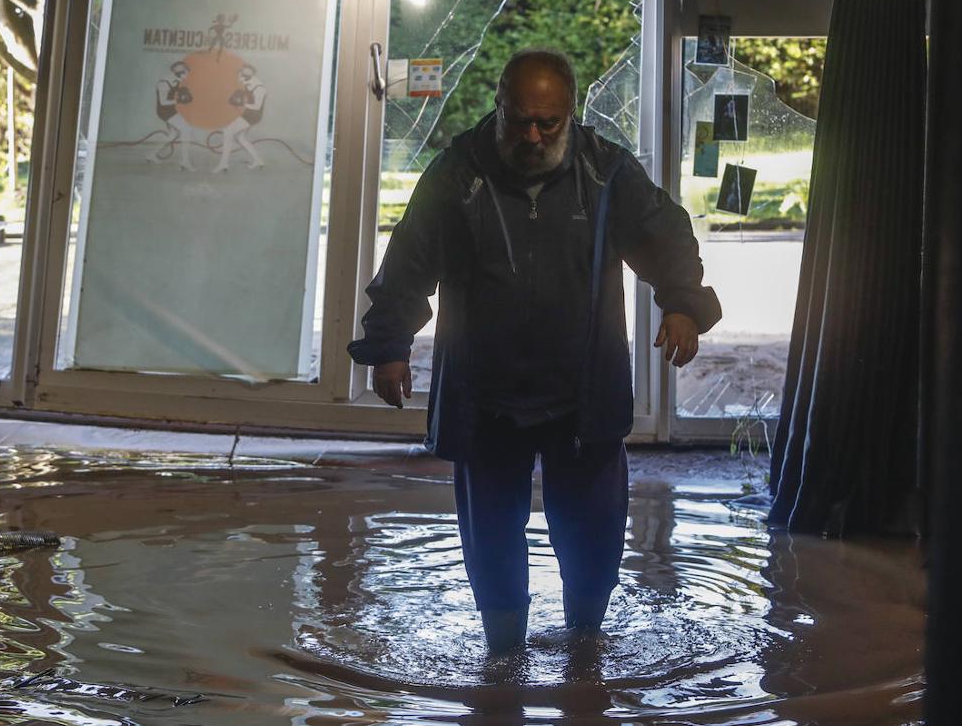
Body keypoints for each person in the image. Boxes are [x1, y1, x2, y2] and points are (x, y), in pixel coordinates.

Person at [347, 49, 722, 654]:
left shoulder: (606, 171)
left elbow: (667, 233)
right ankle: (502, 648)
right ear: (499, 105)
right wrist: (390, 345)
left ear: (569, 115)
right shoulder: (457, 174)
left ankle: (586, 638)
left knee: (593, 529)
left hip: (583, 388)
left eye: (548, 123)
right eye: (520, 118)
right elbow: (409, 260)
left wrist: (682, 303)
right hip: (485, 388)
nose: (532, 134)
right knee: (491, 529)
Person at [214, 65, 266, 173]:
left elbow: (257, 107)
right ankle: (258, 161)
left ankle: (223, 164)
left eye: (240, 77)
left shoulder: (260, 88)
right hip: (246, 113)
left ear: (247, 77)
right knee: (240, 137)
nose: (239, 79)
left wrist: (242, 103)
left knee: (228, 132)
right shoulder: (248, 83)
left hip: (253, 115)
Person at [148, 61, 195, 171]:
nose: (187, 76)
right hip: (164, 111)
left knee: (173, 135)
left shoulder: (176, 81)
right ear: (180, 73)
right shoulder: (163, 83)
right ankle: (185, 162)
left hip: (171, 110)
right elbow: (163, 102)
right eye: (186, 74)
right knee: (187, 129)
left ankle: (151, 155)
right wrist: (179, 100)